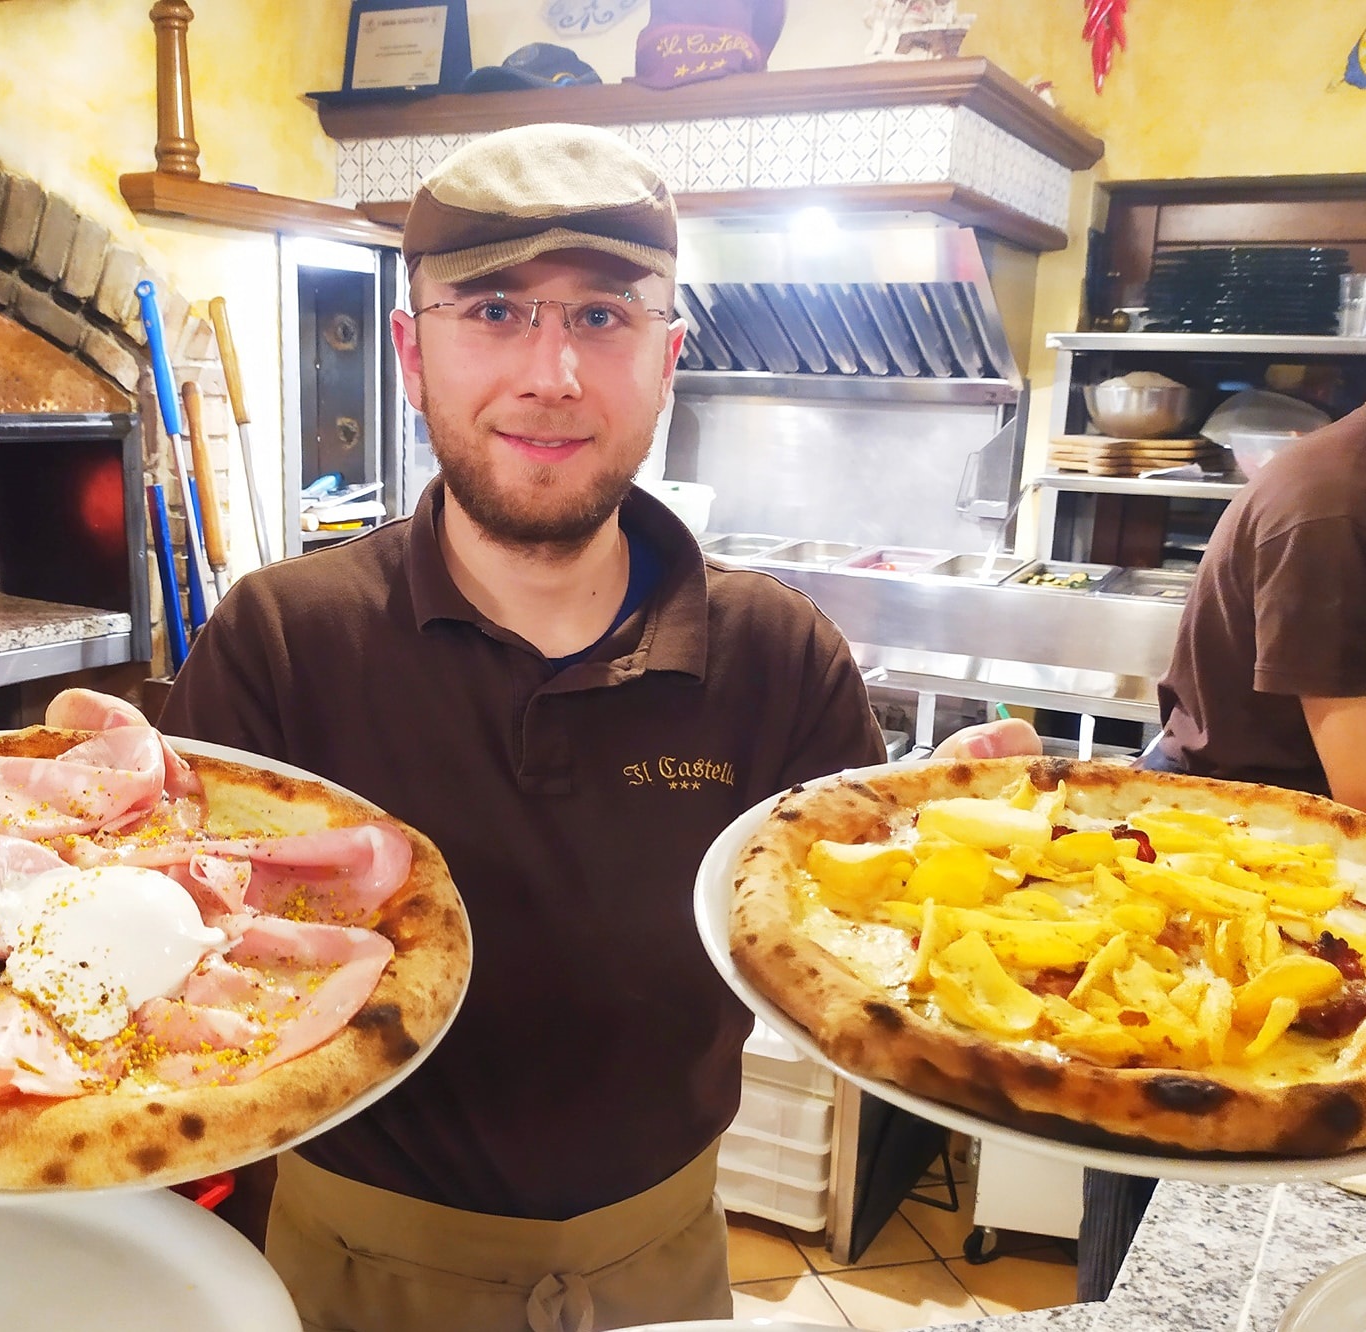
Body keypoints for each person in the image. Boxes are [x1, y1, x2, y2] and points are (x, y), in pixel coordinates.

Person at [159, 122, 1032, 1332]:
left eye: (602, 318)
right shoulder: (281, 639)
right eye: (495, 312)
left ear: (667, 357)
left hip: (662, 1266)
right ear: (412, 353)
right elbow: (181, 965)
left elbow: (863, 937)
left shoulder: (778, 658)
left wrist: (983, 874)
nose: (551, 375)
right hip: (342, 1268)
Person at [1078, 400, 1366, 1302]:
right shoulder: (1333, 504)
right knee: (1169, 1184)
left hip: (1297, 871)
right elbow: (1360, 786)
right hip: (1225, 872)